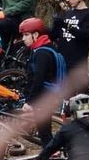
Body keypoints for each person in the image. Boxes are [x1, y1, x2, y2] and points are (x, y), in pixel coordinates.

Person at [20, 16, 66, 149]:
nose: (23, 38)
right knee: (44, 131)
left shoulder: (41, 54)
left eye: (26, 35)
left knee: (45, 133)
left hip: (44, 97)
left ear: (36, 34)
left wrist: (30, 101)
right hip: (51, 94)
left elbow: (38, 79)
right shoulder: (50, 48)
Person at [50, 0, 89, 81]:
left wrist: (65, 25)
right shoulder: (68, 13)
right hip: (62, 61)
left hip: (77, 64)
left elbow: (84, 35)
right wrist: (54, 24)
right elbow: (55, 35)